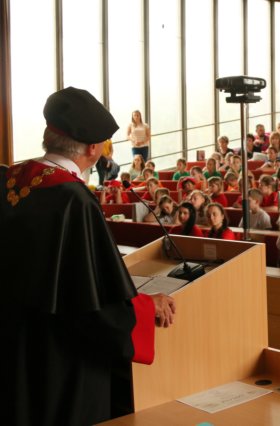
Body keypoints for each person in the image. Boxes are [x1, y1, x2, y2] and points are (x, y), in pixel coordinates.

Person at [0, 87, 175, 425]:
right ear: (93, 149)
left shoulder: (10, 180)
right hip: (55, 359)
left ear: (49, 134)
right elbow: (91, 302)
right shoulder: (73, 199)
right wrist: (143, 307)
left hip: (11, 345)